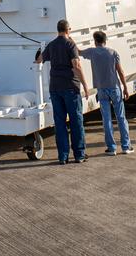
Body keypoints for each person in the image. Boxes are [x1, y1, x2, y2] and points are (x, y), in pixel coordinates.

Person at [35, 19, 90, 164]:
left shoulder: (52, 45)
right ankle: (79, 154)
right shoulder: (70, 44)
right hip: (70, 87)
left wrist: (38, 54)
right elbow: (76, 65)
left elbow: (40, 59)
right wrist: (85, 85)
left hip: (55, 88)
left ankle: (63, 156)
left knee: (59, 123)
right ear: (68, 30)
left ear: (57, 30)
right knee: (76, 121)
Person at [80, 30, 133, 155]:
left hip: (101, 89)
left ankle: (111, 148)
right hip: (115, 88)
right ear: (105, 40)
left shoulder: (92, 52)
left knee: (106, 119)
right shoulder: (113, 53)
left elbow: (78, 51)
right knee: (121, 118)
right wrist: (125, 87)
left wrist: (69, 39)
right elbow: (120, 72)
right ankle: (126, 146)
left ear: (95, 41)